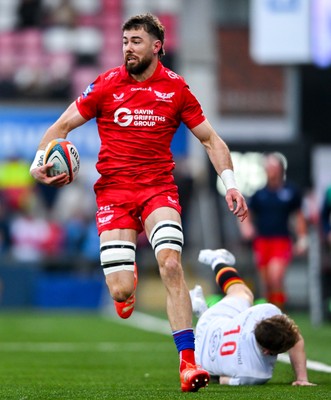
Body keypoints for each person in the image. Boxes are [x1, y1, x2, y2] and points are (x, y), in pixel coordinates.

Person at [29, 13, 248, 392]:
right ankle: (124, 287)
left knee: (170, 263)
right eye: (125, 41)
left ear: (157, 46)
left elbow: (212, 140)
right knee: (120, 290)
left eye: (135, 41)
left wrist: (230, 183)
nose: (127, 48)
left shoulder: (176, 89)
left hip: (158, 190)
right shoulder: (105, 84)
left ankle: (188, 364)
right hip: (113, 192)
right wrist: (38, 165)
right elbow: (60, 128)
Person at [190, 248, 316, 386]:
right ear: (267, 351)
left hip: (212, 320)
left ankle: (217, 261)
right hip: (198, 357)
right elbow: (223, 380)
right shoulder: (256, 374)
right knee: (218, 370)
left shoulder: (265, 311)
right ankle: (201, 307)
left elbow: (294, 337)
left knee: (243, 293)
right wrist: (302, 378)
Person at [239, 153, 307, 310]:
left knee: (276, 277)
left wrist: (302, 238)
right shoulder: (259, 194)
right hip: (262, 241)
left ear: (280, 170)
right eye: (268, 168)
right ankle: (271, 312)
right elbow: (246, 213)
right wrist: (246, 226)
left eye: (273, 168)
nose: (270, 171)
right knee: (267, 282)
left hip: (282, 240)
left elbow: (299, 216)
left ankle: (279, 311)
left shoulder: (290, 192)